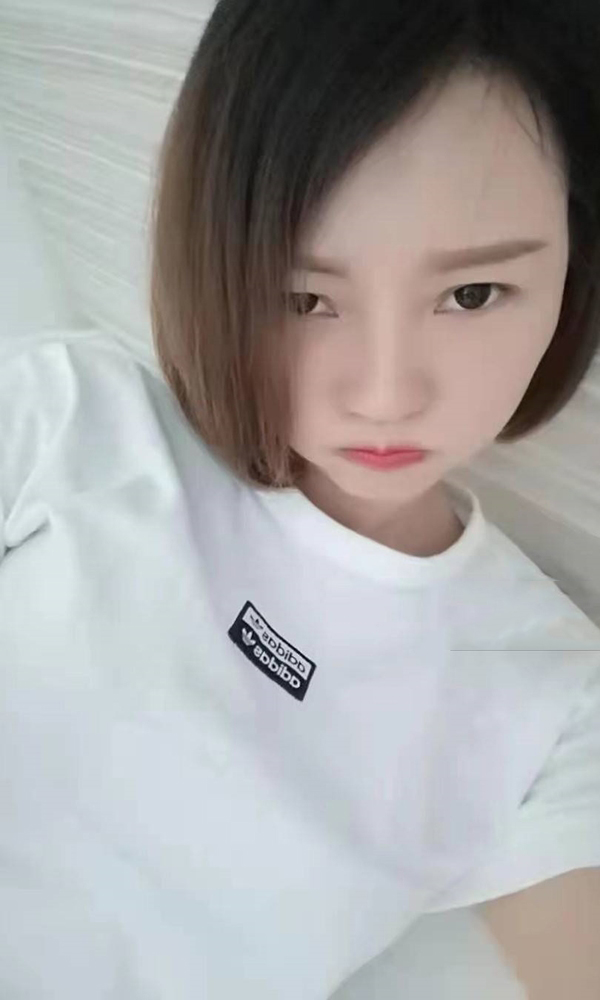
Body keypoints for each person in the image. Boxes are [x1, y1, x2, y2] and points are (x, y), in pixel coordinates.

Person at [1, 1, 600, 998]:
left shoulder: (551, 688)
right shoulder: (73, 417)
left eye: (471, 295)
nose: (386, 392)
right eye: (304, 297)